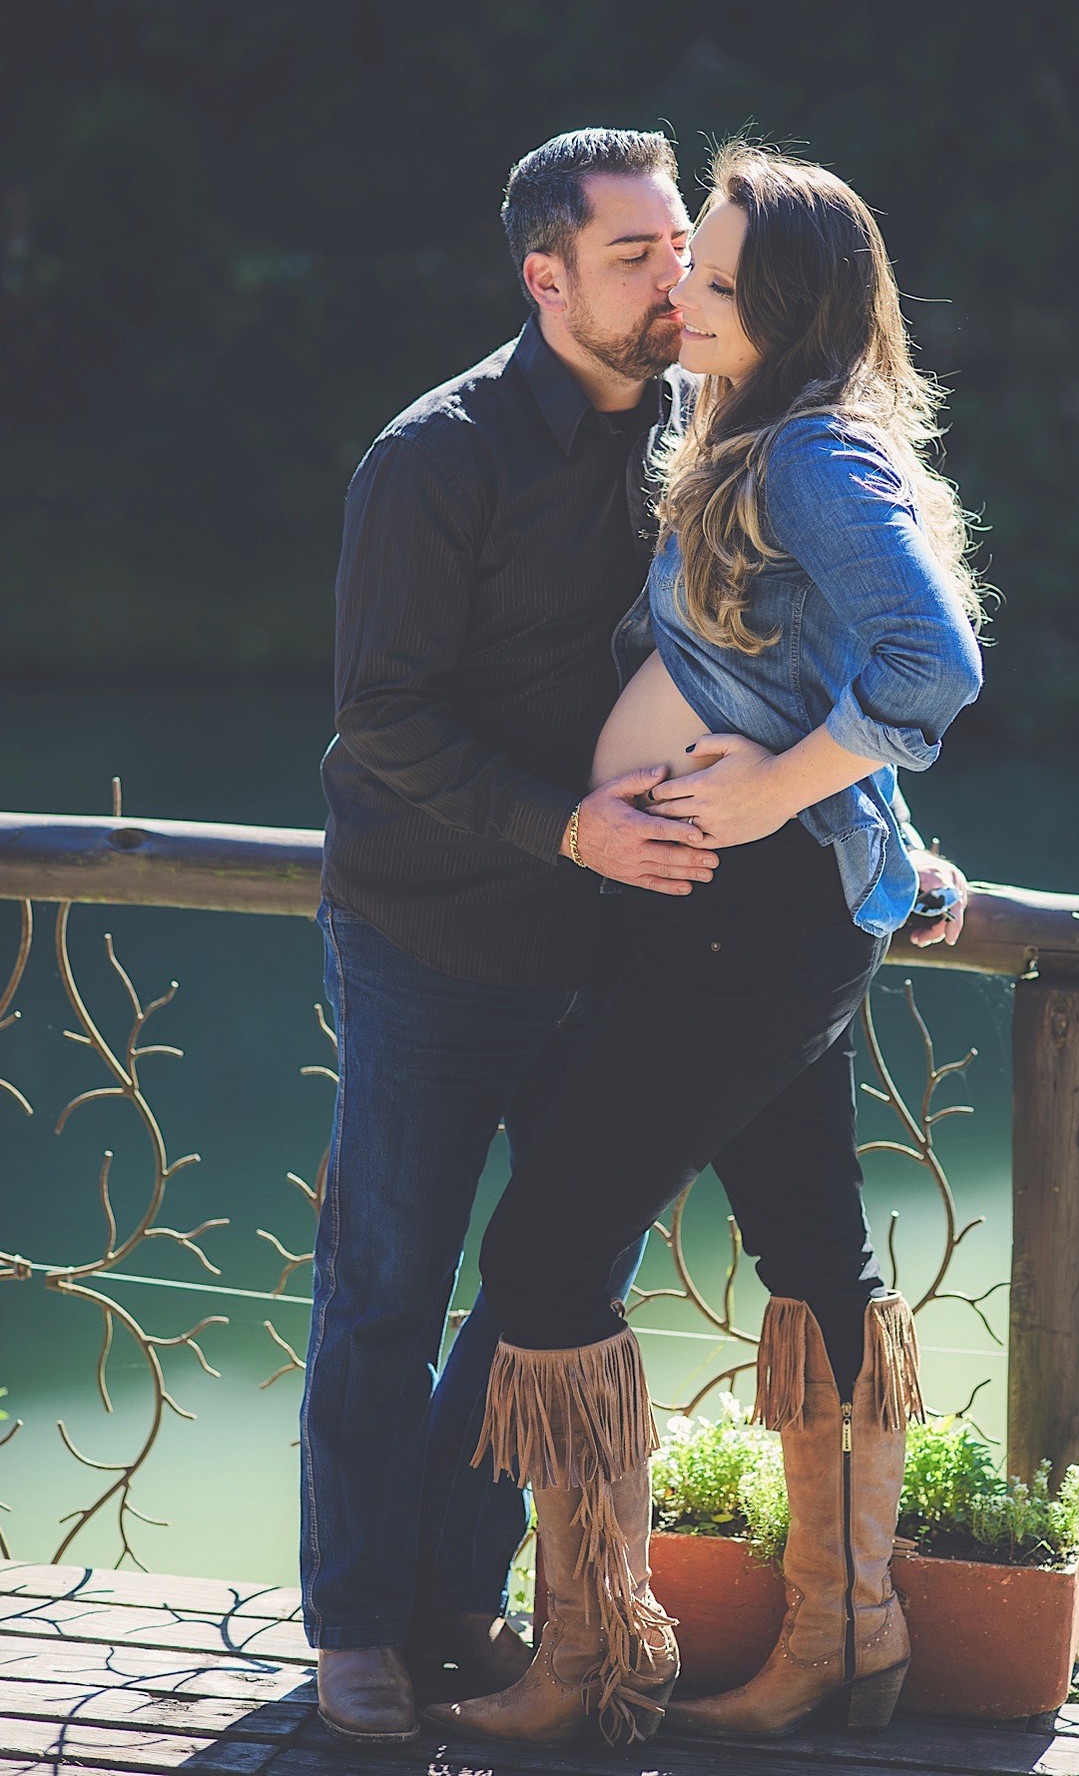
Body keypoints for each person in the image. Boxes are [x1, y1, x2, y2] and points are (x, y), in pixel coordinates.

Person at [306, 127, 969, 1747]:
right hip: (457, 928)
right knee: (404, 1286)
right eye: (647, 256)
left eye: (700, 254)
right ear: (544, 278)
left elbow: (877, 667)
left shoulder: (745, 432)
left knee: (545, 1267)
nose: (676, 277)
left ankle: (535, 1630)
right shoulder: (450, 454)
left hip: (677, 931)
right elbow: (378, 723)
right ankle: (370, 1632)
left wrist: (834, 813)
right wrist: (600, 820)